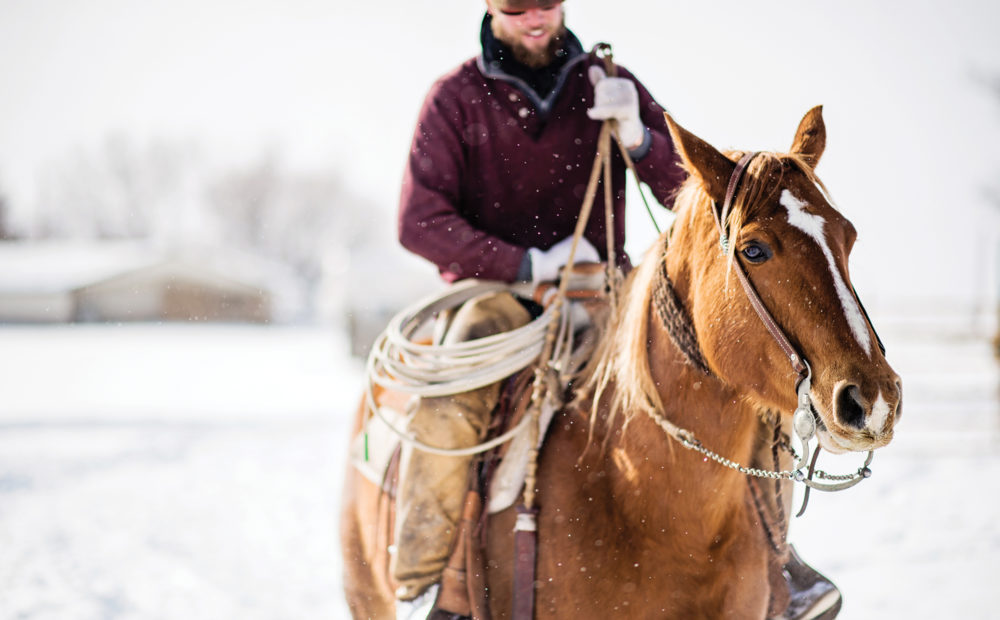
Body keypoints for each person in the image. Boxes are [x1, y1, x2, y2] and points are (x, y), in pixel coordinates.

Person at [393, 1, 840, 618]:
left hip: (608, 290)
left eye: (545, 2)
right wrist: (526, 264)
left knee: (741, 386)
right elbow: (419, 222)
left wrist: (641, 137)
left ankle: (777, 561)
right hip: (497, 295)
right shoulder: (456, 98)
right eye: (515, 5)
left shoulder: (608, 82)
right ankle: (430, 585)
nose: (533, 17)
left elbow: (689, 192)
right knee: (450, 403)